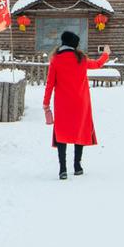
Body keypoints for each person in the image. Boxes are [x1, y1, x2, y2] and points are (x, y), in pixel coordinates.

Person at [41, 30, 109, 179]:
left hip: (62, 104)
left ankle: (63, 169)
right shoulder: (81, 59)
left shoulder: (56, 60)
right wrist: (105, 54)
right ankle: (77, 166)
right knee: (79, 131)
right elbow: (97, 64)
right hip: (80, 102)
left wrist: (46, 103)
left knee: (62, 134)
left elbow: (50, 84)